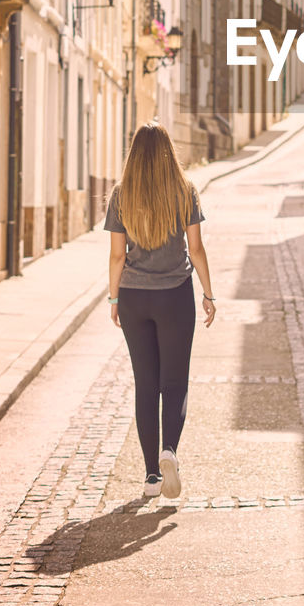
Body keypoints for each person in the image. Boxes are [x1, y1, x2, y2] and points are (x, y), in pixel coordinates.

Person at [104, 122, 215, 499]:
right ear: (169, 152)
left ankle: (152, 476)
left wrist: (114, 299)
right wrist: (208, 294)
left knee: (146, 385)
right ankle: (170, 451)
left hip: (134, 297)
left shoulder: (122, 194)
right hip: (175, 295)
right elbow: (196, 249)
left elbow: (117, 255)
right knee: (174, 382)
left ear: (134, 153)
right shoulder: (185, 191)